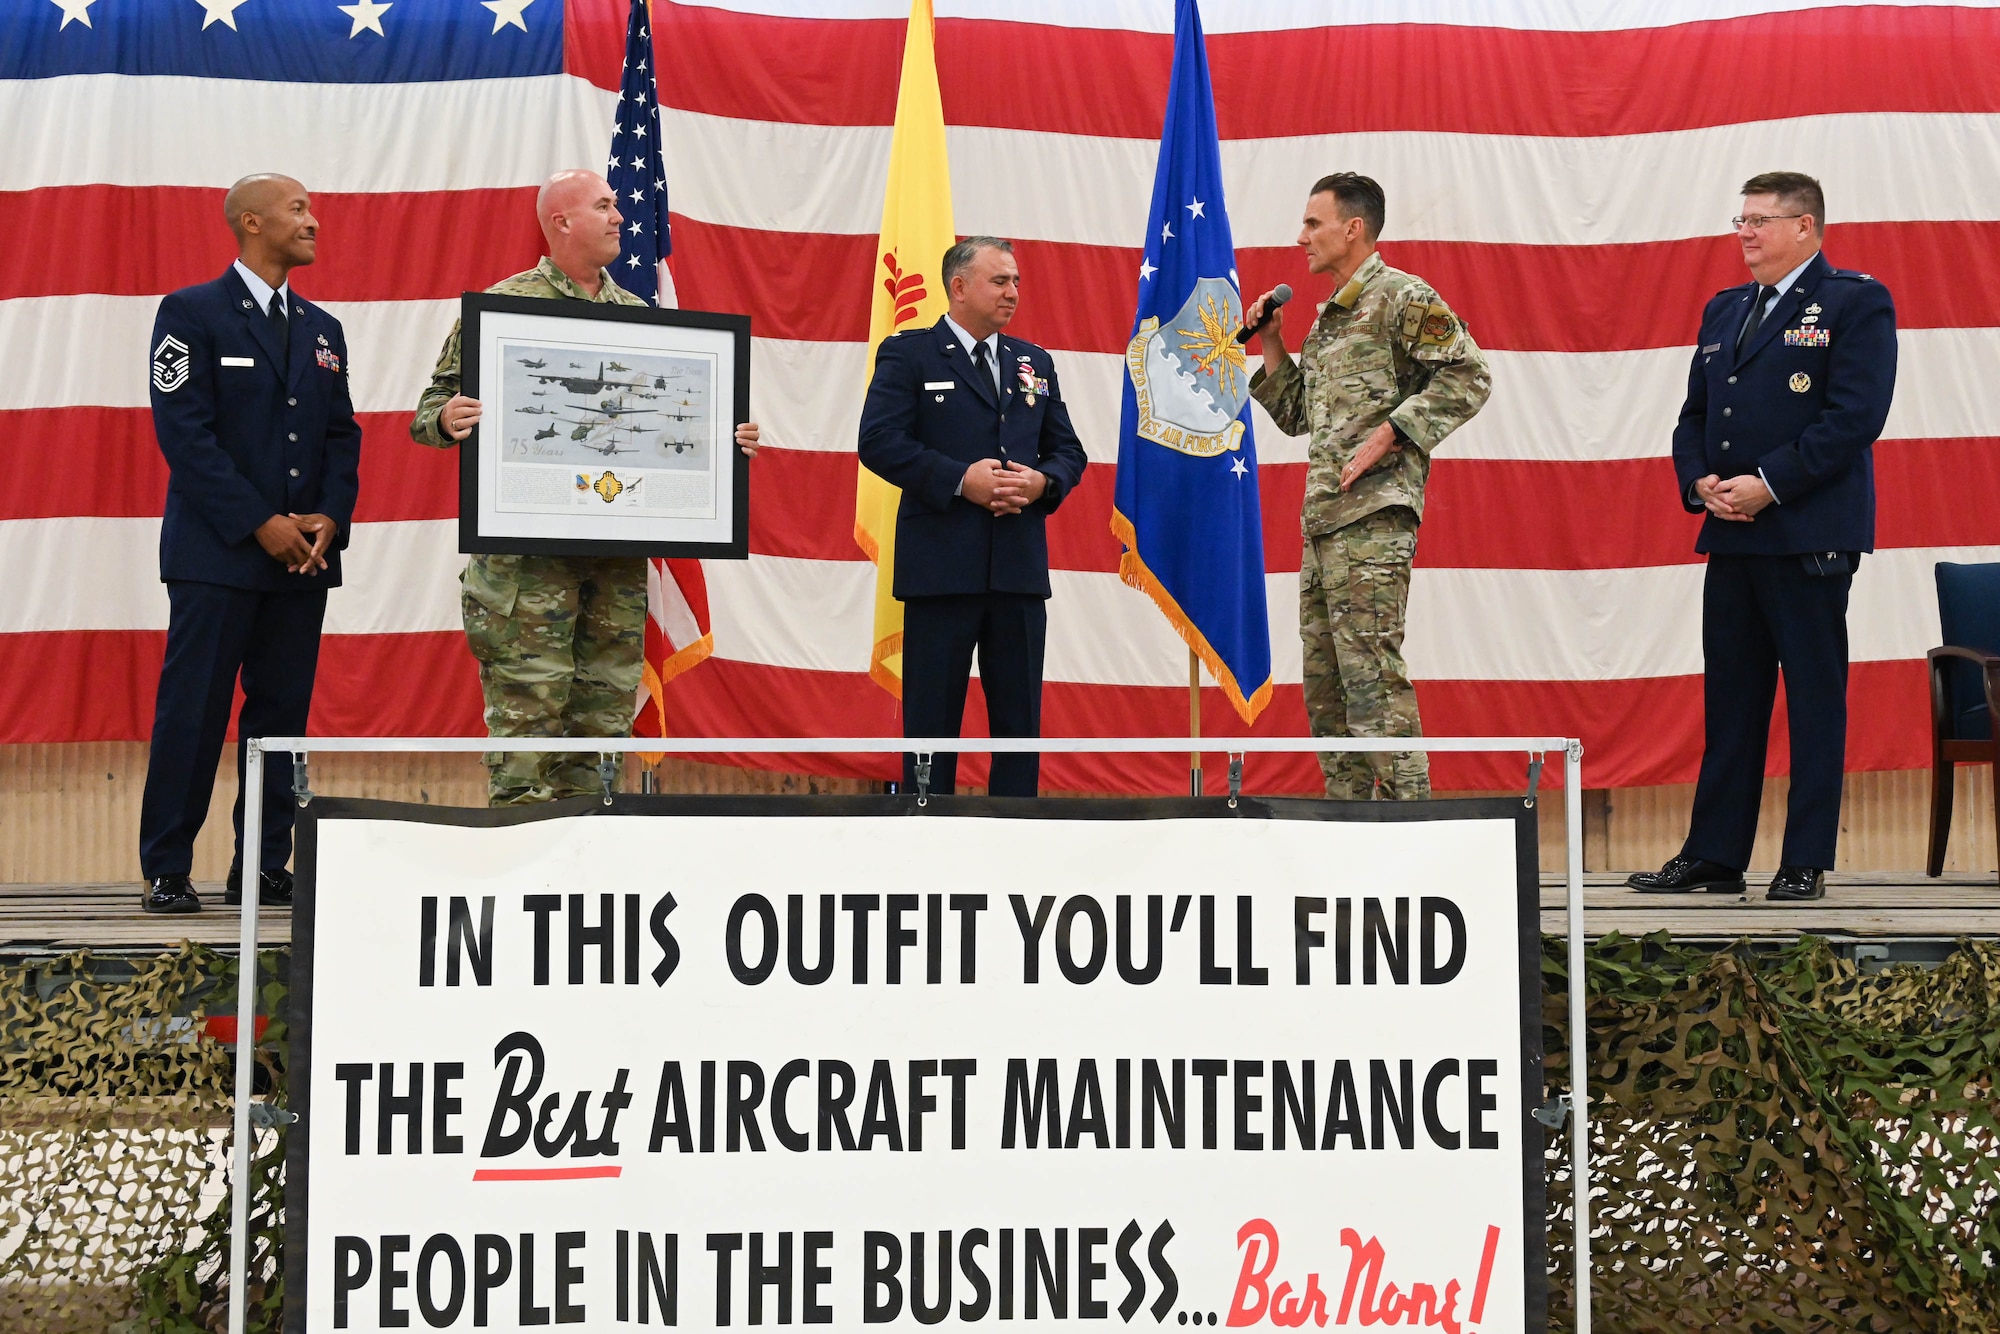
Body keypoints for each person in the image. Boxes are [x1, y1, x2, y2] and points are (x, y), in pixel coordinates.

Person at [411, 169, 760, 806]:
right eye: (603, 206)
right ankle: (519, 864)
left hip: (614, 562)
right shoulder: (503, 309)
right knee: (529, 719)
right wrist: (446, 418)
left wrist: (721, 441)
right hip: (528, 568)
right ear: (561, 222)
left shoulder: (639, 318)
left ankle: (582, 862)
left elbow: (664, 424)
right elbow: (429, 410)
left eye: (617, 205)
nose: (620, 217)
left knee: (601, 722)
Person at [1629, 172, 1896, 902]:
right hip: (1733, 536)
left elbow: (1854, 417)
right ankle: (1716, 854)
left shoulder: (1853, 301)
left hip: (1807, 531)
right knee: (1732, 700)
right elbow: (1693, 417)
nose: (1744, 233)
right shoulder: (1726, 310)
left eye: (1760, 220)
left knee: (1813, 699)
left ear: (1806, 227)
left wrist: (1768, 483)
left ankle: (1804, 857)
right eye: (1740, 219)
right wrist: (1700, 485)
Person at [137, 174, 361, 914]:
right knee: (193, 711)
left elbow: (339, 436)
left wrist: (328, 515)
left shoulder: (324, 329)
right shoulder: (191, 314)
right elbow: (186, 437)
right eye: (299, 208)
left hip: (303, 558)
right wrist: (261, 522)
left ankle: (262, 864)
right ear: (251, 221)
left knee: (281, 721)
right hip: (219, 556)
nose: (314, 220)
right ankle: (168, 863)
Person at [1246, 174, 1491, 802]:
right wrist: (1272, 341)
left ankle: (1408, 832)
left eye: (1312, 223)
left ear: (1352, 229)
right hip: (1325, 523)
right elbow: (1302, 415)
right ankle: (1352, 829)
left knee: (1372, 682)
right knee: (1327, 691)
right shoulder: (1329, 318)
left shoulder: (1401, 297)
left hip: (1375, 519)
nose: (1301, 237)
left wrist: (1393, 433)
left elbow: (1470, 376)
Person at [856, 238, 1089, 797]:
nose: (1013, 292)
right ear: (958, 287)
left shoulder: (1034, 362)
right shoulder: (909, 354)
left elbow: (1068, 451)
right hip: (941, 570)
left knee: (1018, 728)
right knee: (932, 728)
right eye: (1000, 281)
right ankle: (928, 837)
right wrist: (962, 480)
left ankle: (1016, 838)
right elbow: (879, 441)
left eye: (1016, 282)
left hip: (1017, 572)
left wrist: (1042, 482)